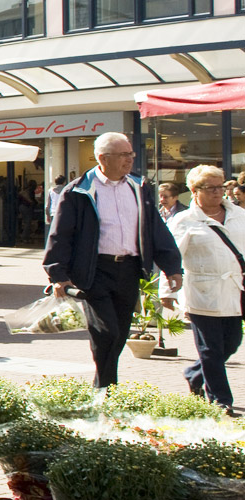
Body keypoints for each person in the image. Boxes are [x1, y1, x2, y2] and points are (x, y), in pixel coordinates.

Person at [45, 132, 183, 389]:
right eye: (123, 155)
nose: (129, 160)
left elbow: (154, 230)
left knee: (118, 333)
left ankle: (104, 385)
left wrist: (172, 266)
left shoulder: (139, 187)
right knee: (107, 331)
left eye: (130, 154)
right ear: (102, 158)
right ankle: (107, 387)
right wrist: (57, 274)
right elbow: (61, 235)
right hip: (94, 270)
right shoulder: (78, 191)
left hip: (129, 270)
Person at [159, 165, 243, 415]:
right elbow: (171, 258)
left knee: (231, 344)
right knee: (210, 348)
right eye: (211, 188)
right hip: (202, 292)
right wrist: (168, 291)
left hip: (235, 291)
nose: (218, 192)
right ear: (195, 191)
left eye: (221, 187)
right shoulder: (184, 221)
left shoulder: (239, 215)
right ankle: (220, 400)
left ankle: (194, 373)